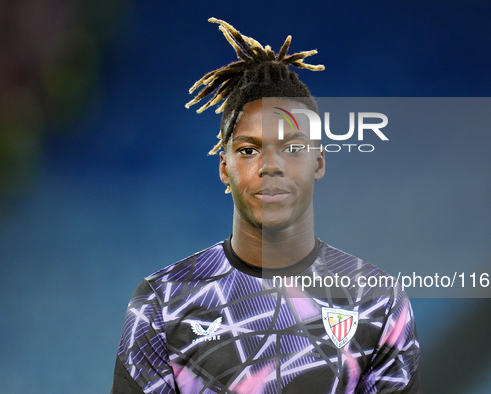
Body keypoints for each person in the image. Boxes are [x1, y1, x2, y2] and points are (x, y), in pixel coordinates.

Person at [111, 18, 420, 394]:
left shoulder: (377, 300)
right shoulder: (162, 302)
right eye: (248, 150)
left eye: (292, 148)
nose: (270, 165)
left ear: (318, 162)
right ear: (225, 167)